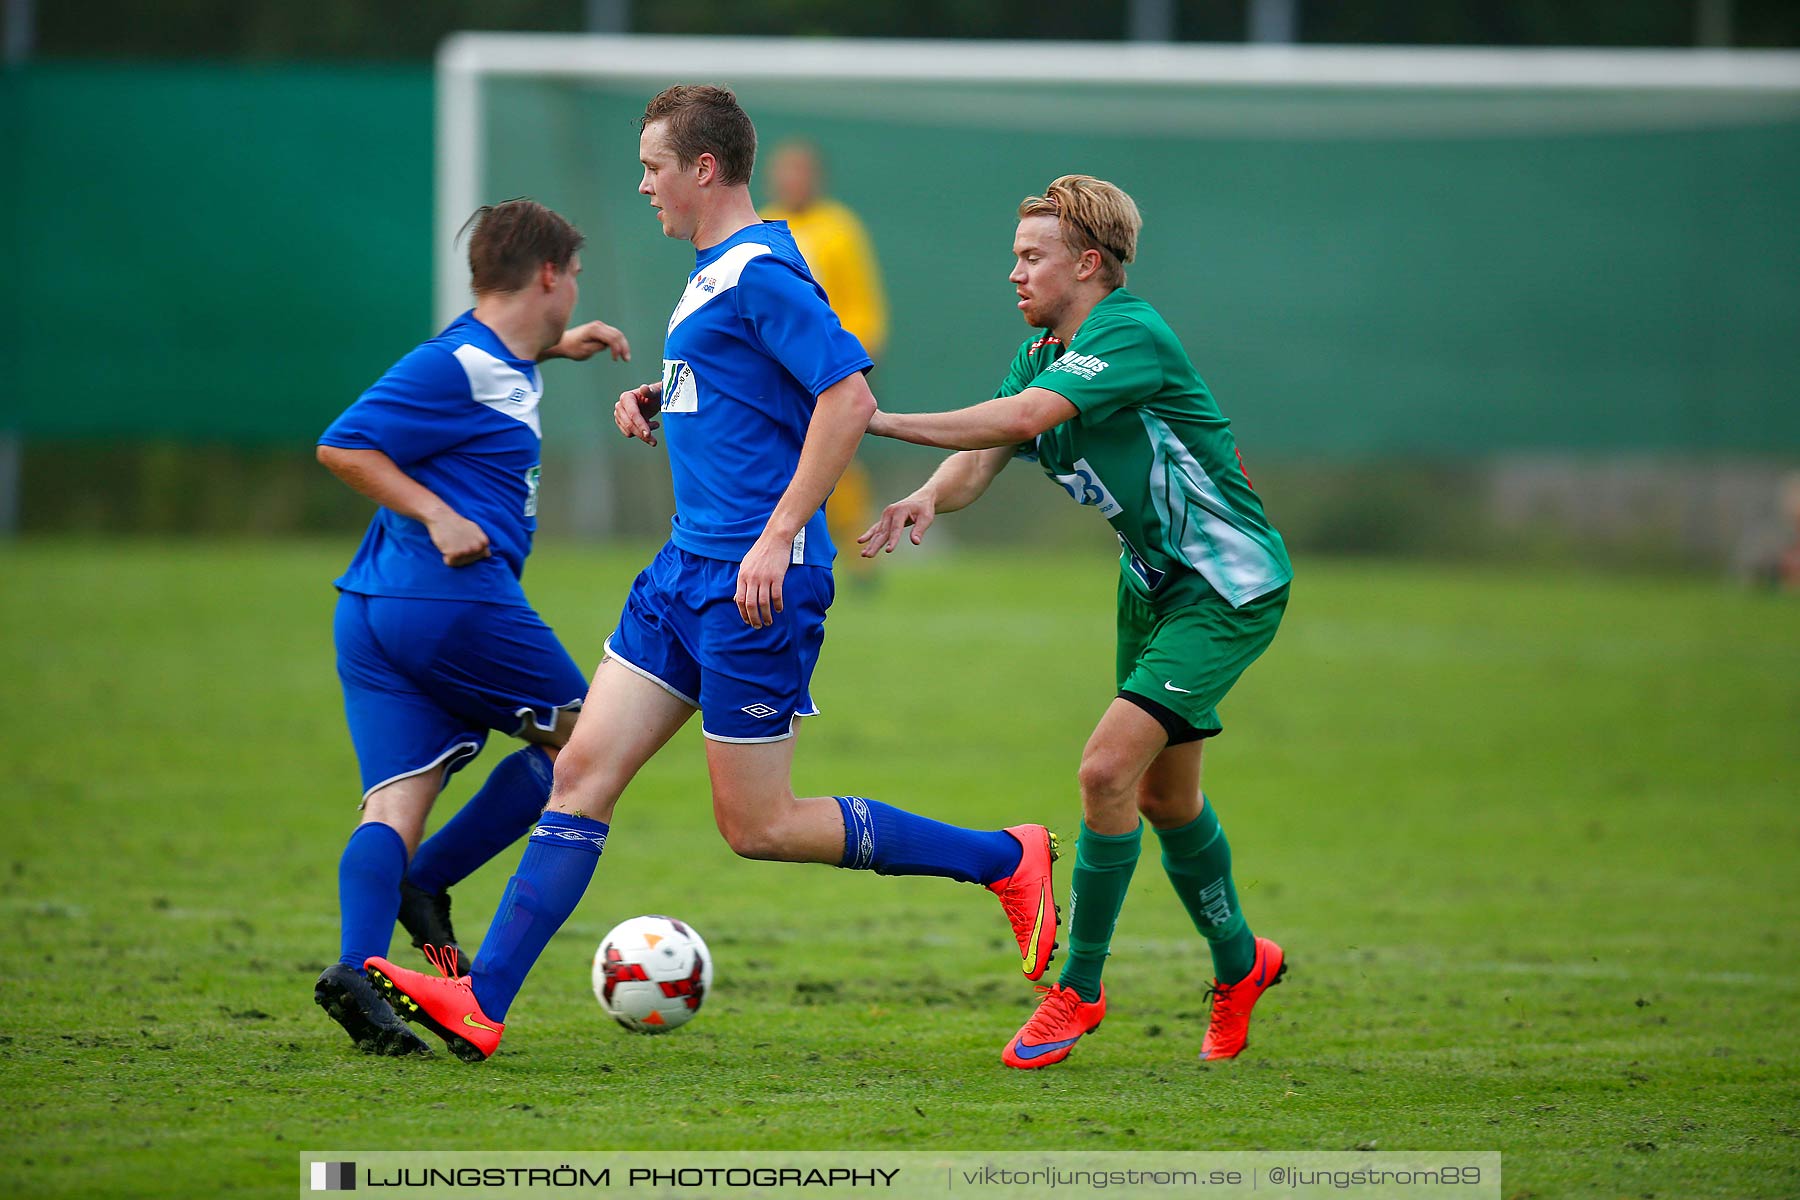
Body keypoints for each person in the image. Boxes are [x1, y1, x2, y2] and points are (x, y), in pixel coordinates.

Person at [364, 85, 1058, 1063]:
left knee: (759, 825)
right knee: (581, 774)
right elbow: (751, 384)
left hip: (751, 586)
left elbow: (848, 401)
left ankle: (1005, 859)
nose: (641, 184)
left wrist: (778, 536)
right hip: (682, 572)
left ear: (701, 170)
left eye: (653, 166)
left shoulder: (764, 268)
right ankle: (481, 1002)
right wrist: (668, 396)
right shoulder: (711, 273)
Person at [858, 175, 1292, 1069]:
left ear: (1089, 264)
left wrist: (884, 421)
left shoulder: (1128, 332)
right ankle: (1241, 964)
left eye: (1031, 257)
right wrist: (926, 498)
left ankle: (1079, 989)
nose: (1012, 273)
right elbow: (989, 454)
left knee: (1104, 773)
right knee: (1167, 798)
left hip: (1223, 583)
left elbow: (1021, 419)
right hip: (1151, 586)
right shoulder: (1043, 354)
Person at [313, 199, 631, 1056]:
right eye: (574, 279)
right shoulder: (455, 362)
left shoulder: (494, 353)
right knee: (592, 741)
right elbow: (343, 445)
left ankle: (357, 970)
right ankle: (431, 886)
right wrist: (440, 516)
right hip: (448, 601)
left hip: (373, 613)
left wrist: (557, 351)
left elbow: (497, 367)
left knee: (394, 802)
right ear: (551, 275)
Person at [759, 140, 889, 583]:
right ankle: (770, 546)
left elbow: (861, 301)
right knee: (779, 456)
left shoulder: (839, 228)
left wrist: (851, 355)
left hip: (825, 365)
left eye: (800, 171)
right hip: (776, 367)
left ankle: (857, 552)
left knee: (836, 458)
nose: (791, 181)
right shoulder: (763, 223)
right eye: (784, 171)